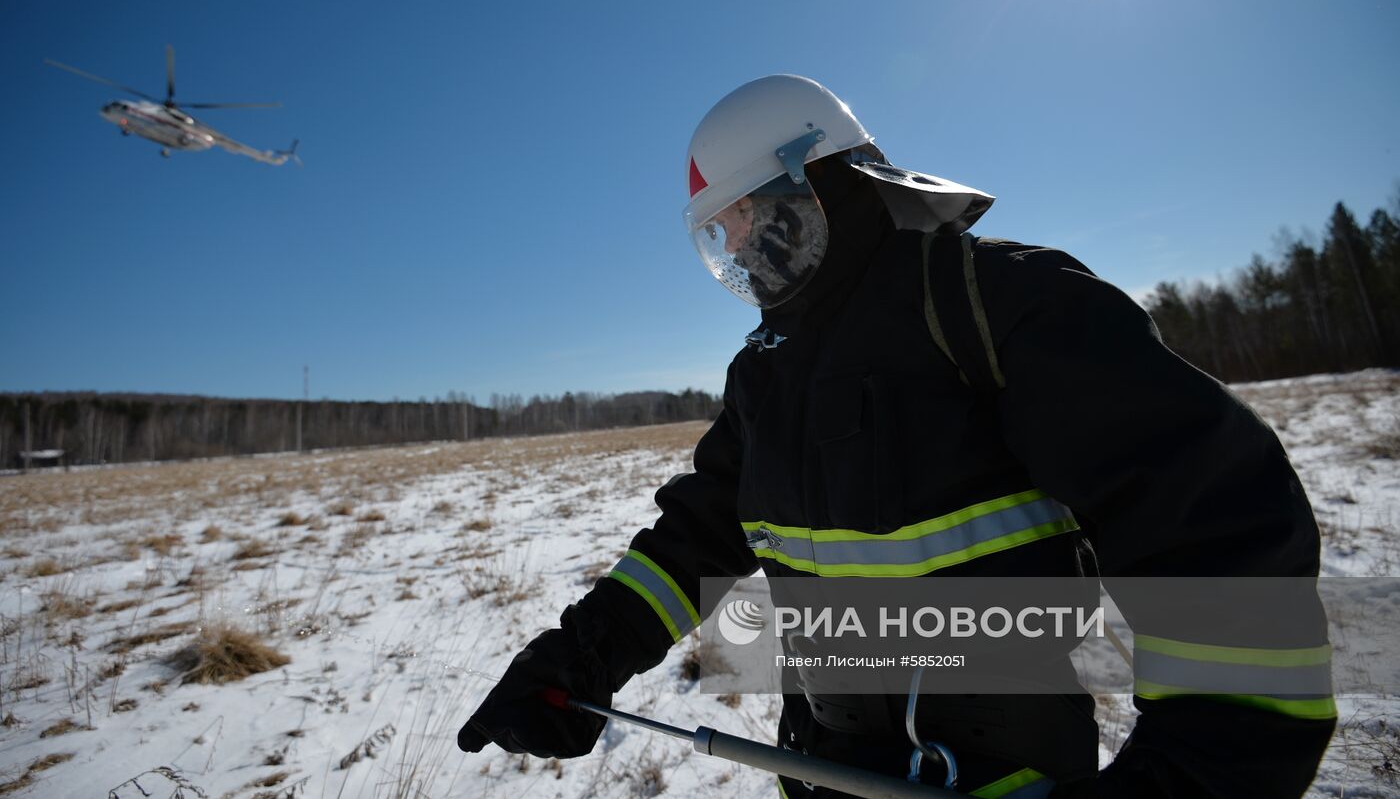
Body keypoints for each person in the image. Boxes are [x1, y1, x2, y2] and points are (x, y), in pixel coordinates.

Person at [458, 75, 1336, 797]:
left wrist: (1198, 771)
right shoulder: (765, 373)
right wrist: (580, 656)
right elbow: (692, 538)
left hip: (1004, 779)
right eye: (718, 236)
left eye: (743, 219)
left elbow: (1218, 521)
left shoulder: (993, 301)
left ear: (809, 191)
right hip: (821, 773)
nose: (737, 251)